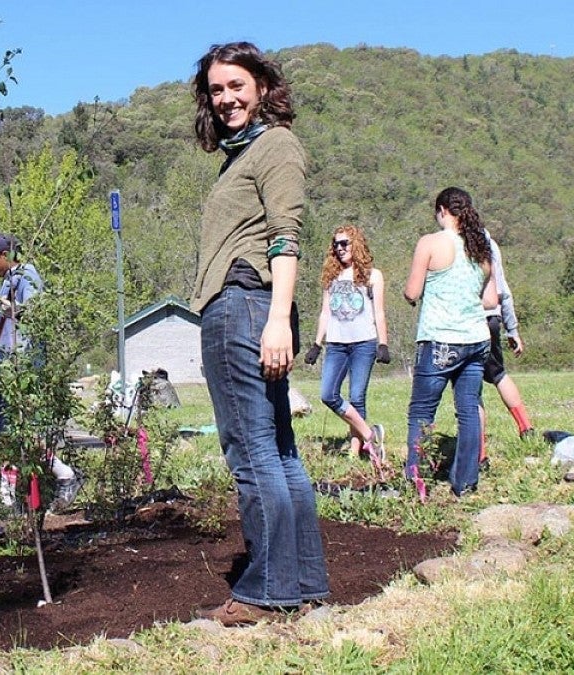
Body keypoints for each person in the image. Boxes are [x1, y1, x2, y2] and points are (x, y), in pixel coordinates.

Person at [187, 42, 329, 625]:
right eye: (216, 90)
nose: (226, 99)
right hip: (252, 306)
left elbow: (285, 237)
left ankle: (267, 590)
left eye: (236, 85)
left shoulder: (275, 146)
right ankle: (303, 580)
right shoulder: (242, 154)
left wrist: (277, 318)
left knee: (251, 453)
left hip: (246, 304)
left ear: (263, 86)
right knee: (278, 451)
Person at [0, 233, 82, 511]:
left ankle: (64, 474)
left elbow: (35, 314)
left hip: (24, 371)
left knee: (25, 433)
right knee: (8, 434)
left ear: (4, 255)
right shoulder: (4, 285)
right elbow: (2, 334)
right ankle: (8, 497)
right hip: (6, 371)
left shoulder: (26, 275)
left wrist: (13, 309)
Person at [403, 187, 497, 499]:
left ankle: (417, 480)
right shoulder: (481, 249)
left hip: (441, 339)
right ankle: (465, 484)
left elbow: (412, 292)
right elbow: (490, 299)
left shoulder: (430, 243)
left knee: (422, 412)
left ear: (442, 210)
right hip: (477, 340)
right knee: (469, 409)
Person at [304, 225, 389, 465]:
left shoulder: (373, 275)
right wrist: (316, 344)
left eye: (345, 243)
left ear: (356, 245)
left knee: (356, 396)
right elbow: (325, 313)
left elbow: (379, 312)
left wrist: (383, 343)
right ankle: (371, 435)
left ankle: (355, 450)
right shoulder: (331, 277)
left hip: (364, 342)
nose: (340, 248)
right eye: (336, 245)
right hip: (336, 344)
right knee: (328, 394)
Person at [478, 232, 534, 465]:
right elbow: (504, 290)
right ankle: (526, 427)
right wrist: (512, 329)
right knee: (498, 373)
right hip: (492, 318)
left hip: (464, 320)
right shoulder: (489, 243)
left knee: (469, 386)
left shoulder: (450, 242)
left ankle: (479, 452)